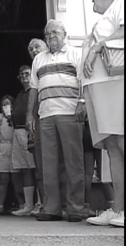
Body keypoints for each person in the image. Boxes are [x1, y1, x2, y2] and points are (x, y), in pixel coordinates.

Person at [28, 19, 85, 222]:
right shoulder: (38, 60)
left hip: (70, 112)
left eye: (55, 32)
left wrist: (83, 102)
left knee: (73, 161)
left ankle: (76, 208)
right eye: (48, 33)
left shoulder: (76, 53)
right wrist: (30, 115)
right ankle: (51, 208)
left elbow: (83, 81)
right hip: (46, 114)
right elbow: (34, 89)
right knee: (48, 164)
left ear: (64, 34)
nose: (51, 36)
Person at [77, 0, 124, 227]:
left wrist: (97, 46)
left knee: (121, 143)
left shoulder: (122, 1)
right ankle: (118, 208)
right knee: (113, 147)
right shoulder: (106, 16)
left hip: (115, 83)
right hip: (100, 86)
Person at [9, 66, 37, 217]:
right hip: (17, 131)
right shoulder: (20, 94)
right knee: (24, 168)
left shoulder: (34, 92)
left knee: (35, 167)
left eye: (27, 74)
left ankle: (39, 203)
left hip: (29, 131)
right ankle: (28, 204)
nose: (24, 77)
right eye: (22, 75)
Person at [25, 38, 48, 215]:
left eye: (37, 47)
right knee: (40, 166)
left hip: (58, 114)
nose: (33, 50)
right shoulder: (35, 70)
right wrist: (30, 116)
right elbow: (32, 93)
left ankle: (65, 204)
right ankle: (45, 204)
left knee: (61, 163)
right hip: (39, 120)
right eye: (30, 49)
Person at [0, 96, 22, 215]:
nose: (6, 107)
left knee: (17, 179)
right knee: (3, 180)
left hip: (15, 147)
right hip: (2, 148)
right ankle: (0, 205)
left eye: (8, 104)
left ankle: (22, 204)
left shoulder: (17, 118)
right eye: (4, 104)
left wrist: (12, 118)